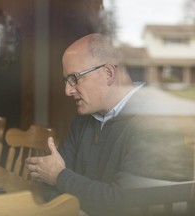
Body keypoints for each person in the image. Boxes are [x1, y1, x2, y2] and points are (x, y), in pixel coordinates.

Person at [25, 33, 193, 216]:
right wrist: (61, 184)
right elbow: (49, 185)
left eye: (74, 78)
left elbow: (122, 203)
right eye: (66, 80)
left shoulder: (155, 122)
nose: (67, 90)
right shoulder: (83, 118)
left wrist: (59, 176)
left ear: (108, 74)